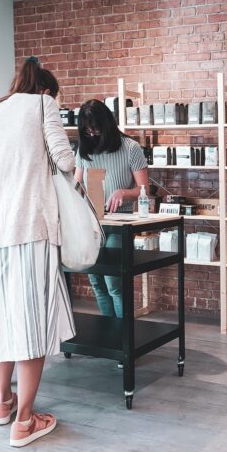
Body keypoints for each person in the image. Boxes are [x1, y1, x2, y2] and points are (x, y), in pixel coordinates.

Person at [0, 56, 75, 447]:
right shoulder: (44, 105)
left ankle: (3, 402)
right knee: (32, 326)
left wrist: (2, 179)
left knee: (2, 321)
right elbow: (65, 160)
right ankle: (24, 422)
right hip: (30, 228)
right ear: (45, 90)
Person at [74, 99, 149, 317]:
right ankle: (109, 335)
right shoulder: (84, 150)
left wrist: (124, 192)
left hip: (119, 225)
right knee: (97, 283)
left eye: (95, 128)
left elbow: (145, 190)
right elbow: (76, 185)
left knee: (115, 285)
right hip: (90, 224)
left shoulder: (131, 148)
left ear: (107, 124)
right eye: (87, 131)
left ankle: (123, 338)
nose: (92, 134)